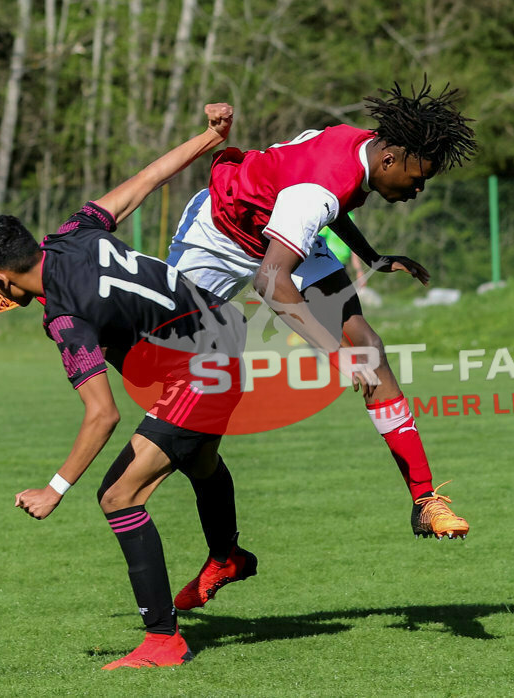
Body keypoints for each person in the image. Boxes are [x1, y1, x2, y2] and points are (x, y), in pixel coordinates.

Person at [0, 104, 260, 669]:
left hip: (203, 368)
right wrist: (210, 137)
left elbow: (101, 416)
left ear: (3, 279)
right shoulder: (75, 231)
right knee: (198, 463)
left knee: (119, 495)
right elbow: (149, 178)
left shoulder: (64, 319)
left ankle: (162, 641)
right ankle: (225, 556)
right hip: (225, 330)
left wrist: (55, 488)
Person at [165, 79, 478, 539]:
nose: (419, 190)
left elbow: (329, 208)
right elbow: (271, 281)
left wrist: (371, 257)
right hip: (218, 236)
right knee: (157, 348)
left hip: (278, 228)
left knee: (368, 346)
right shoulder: (317, 193)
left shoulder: (358, 147)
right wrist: (333, 353)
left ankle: (425, 499)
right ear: (389, 160)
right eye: (418, 179)